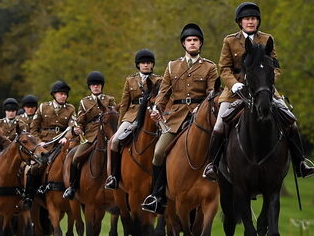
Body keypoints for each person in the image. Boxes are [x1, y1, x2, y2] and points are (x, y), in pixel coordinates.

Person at [202, 2, 314, 181]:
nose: (251, 22)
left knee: (291, 122)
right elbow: (224, 68)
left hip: (264, 89)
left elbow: (276, 67)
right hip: (235, 91)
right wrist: (234, 84)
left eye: (254, 19)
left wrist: (268, 82)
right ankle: (212, 165)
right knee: (219, 125)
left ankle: (300, 163)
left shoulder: (267, 39)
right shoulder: (230, 41)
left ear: (258, 21)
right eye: (247, 19)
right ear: (240, 22)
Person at [140, 23, 218, 214]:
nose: (192, 43)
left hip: (202, 116)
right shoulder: (172, 66)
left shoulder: (210, 67)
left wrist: (201, 108)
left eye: (195, 41)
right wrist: (157, 108)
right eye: (189, 41)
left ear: (200, 44)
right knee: (158, 152)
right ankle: (157, 195)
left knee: (222, 144)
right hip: (176, 117)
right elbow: (164, 92)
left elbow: (212, 94)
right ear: (184, 44)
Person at [104, 49, 162, 189]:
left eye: (148, 63)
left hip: (152, 115)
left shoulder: (159, 80)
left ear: (152, 65)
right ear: (138, 65)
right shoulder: (130, 80)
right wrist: (120, 124)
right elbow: (124, 104)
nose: (146, 65)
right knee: (115, 141)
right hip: (132, 116)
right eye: (143, 63)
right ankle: (114, 176)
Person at [63, 71, 117, 200]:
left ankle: (116, 180)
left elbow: (115, 116)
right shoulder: (84, 102)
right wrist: (78, 129)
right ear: (90, 87)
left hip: (107, 133)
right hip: (91, 135)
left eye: (98, 84)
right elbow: (81, 120)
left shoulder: (110, 100)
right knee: (75, 158)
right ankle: (72, 187)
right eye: (93, 85)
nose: (96, 87)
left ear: (102, 86)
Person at [29, 81, 76, 208]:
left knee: (73, 163)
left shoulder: (71, 108)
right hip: (45, 144)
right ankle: (31, 194)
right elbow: (33, 128)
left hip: (62, 144)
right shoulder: (43, 107)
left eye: (65, 94)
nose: (64, 96)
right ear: (54, 95)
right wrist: (39, 142)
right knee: (34, 167)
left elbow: (73, 126)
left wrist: (66, 138)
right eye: (61, 94)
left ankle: (73, 190)